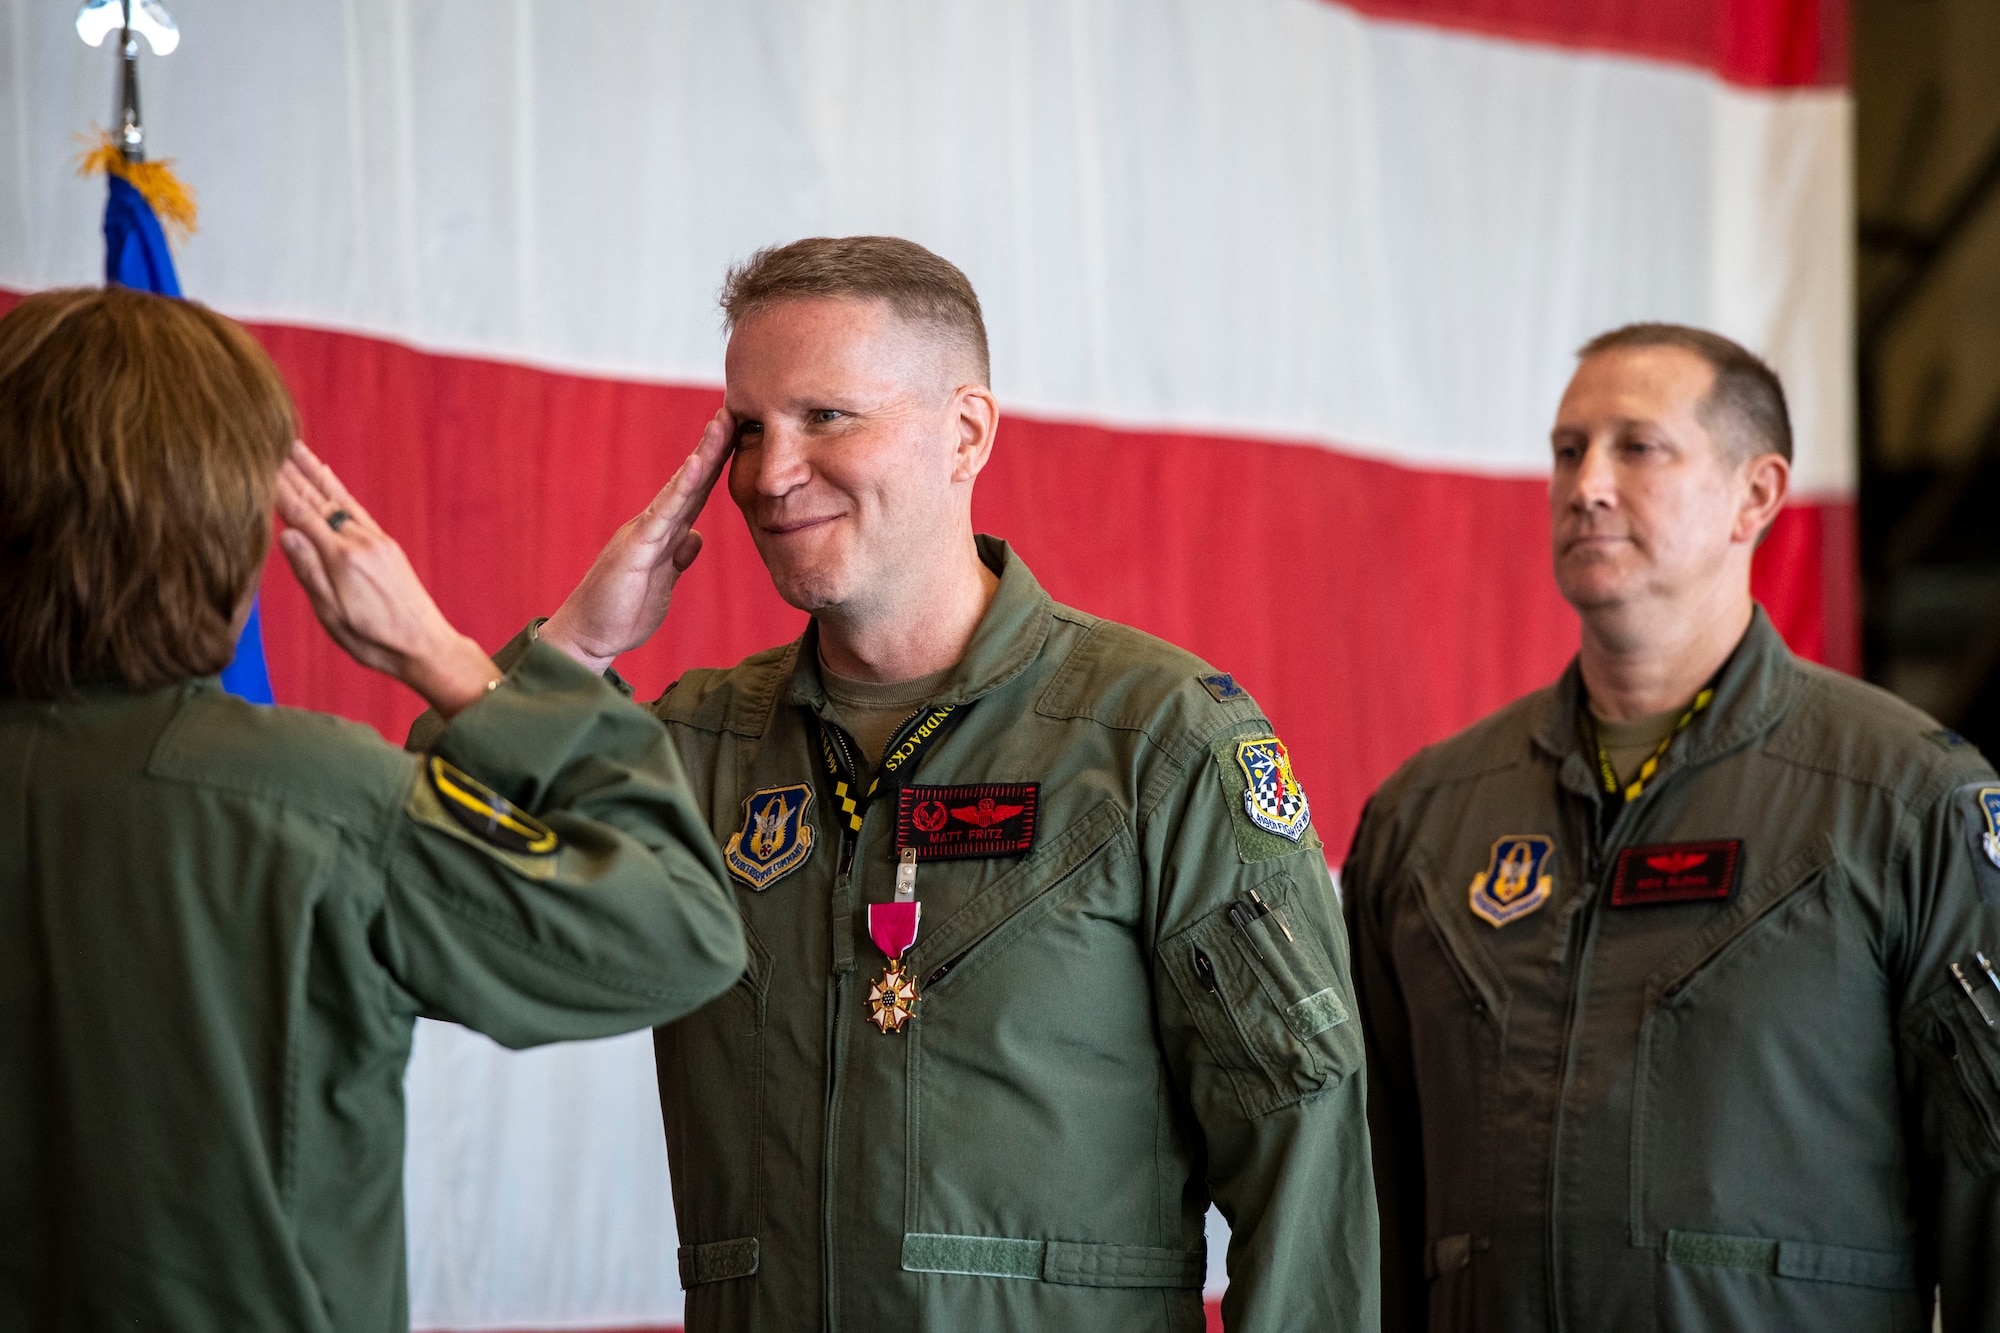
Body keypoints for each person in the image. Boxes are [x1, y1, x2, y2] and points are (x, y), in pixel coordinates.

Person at [422, 236, 1379, 1330]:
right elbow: (429, 873)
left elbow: (1302, 1148)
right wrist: (574, 652)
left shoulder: (1157, 744)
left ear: (964, 432)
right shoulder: (693, 751)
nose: (769, 473)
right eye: (747, 428)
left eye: (826, 416)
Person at [0, 286, 747, 1333]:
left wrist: (564, 649)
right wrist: (439, 658)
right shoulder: (314, 806)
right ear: (224, 521)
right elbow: (675, 931)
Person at [1342, 322, 2000, 1332]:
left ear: (1756, 494)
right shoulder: (1423, 819)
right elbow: (1366, 1203)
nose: (1585, 484)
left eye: (1636, 447)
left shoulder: (1906, 802)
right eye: (1567, 450)